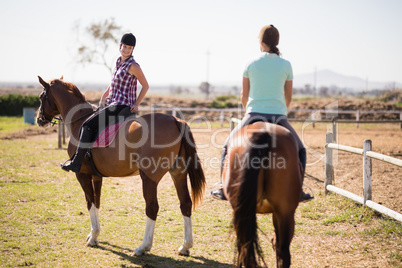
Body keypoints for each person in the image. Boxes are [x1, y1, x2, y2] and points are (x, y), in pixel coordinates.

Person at [210, 25, 313, 202]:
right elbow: (288, 97)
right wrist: (281, 109)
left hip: (253, 115)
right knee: (301, 150)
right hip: (279, 117)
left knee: (227, 146)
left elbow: (244, 95)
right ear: (277, 42)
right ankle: (298, 190)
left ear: (261, 42)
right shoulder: (286, 65)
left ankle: (223, 187)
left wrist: (247, 111)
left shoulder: (250, 63)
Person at [61, 33, 149, 173]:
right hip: (112, 103)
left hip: (121, 106)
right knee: (93, 121)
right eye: (125, 46)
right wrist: (104, 95)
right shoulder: (117, 62)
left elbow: (145, 86)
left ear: (133, 49)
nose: (126, 50)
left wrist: (137, 103)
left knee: (87, 125)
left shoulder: (133, 66)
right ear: (120, 46)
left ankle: (77, 162)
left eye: (130, 48)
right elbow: (114, 83)